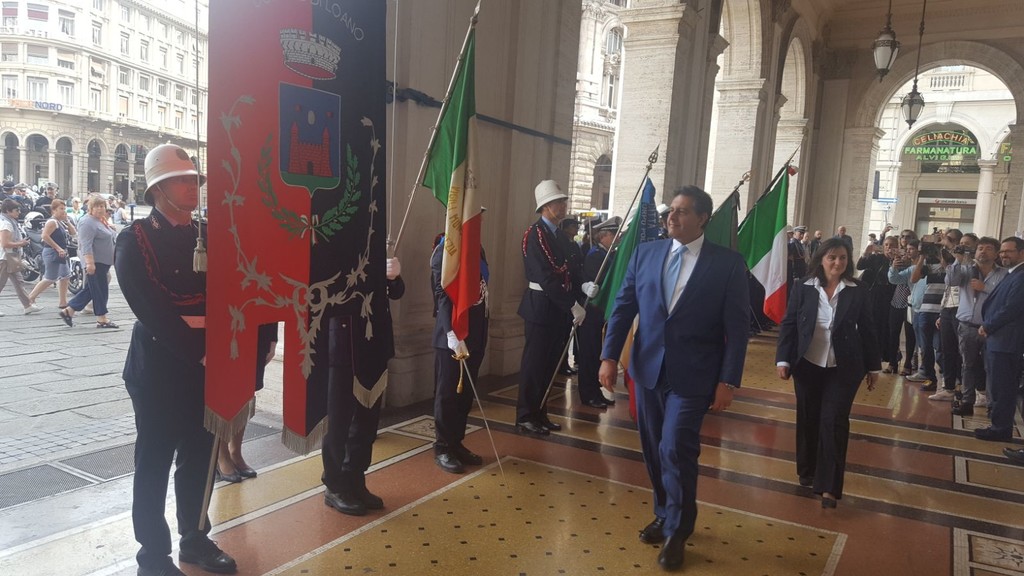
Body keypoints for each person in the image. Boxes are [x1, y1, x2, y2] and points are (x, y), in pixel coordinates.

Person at [598, 185, 750, 571]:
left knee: (675, 447)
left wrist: (728, 381)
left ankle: (677, 532)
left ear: (702, 218)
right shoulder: (645, 254)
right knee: (653, 447)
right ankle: (665, 512)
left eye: (682, 211)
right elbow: (623, 307)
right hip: (648, 369)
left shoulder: (727, 264)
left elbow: (737, 328)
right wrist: (609, 357)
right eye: (671, 211)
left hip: (695, 374)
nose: (672, 217)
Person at [115, 143, 237, 576]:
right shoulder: (135, 238)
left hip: (209, 365)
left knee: (200, 456)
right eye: (181, 180)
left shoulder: (209, 233)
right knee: (153, 460)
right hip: (161, 368)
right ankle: (152, 555)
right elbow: (151, 308)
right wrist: (199, 352)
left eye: (193, 180)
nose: (192, 186)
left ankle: (195, 539)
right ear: (158, 189)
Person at [776, 238, 881, 509]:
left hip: (844, 366)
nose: (837, 262)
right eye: (832, 257)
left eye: (843, 258)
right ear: (821, 259)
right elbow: (789, 324)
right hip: (807, 363)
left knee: (834, 420)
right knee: (809, 417)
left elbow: (868, 328)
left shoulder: (858, 289)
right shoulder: (803, 287)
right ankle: (808, 469)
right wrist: (783, 359)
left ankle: (829, 487)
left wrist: (873, 367)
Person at [321, 257, 404, 516]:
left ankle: (355, 477)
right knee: (338, 419)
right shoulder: (334, 249)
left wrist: (394, 276)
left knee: (367, 417)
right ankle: (335, 484)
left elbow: (395, 292)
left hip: (374, 339)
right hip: (343, 341)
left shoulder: (374, 249)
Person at [516, 180, 587, 436]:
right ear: (546, 206)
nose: (564, 205)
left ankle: (540, 413)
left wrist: (583, 287)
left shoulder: (558, 235)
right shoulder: (534, 235)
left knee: (549, 366)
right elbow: (545, 277)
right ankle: (526, 415)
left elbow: (571, 268)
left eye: (563, 201)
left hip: (557, 309)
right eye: (559, 201)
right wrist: (572, 304)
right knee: (534, 366)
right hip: (541, 308)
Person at [430, 233, 488, 474]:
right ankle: (443, 447)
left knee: (465, 396)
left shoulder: (478, 248)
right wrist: (451, 332)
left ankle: (456, 443)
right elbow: (442, 293)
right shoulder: (445, 250)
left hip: (475, 333)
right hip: (452, 337)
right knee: (448, 395)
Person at [947, 237, 1006, 416]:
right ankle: (967, 402)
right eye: (980, 248)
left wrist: (984, 288)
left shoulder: (1004, 274)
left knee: (991, 367)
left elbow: (1007, 298)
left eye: (988, 248)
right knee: (968, 365)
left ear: (996, 254)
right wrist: (958, 259)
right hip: (967, 326)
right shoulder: (965, 269)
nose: (983, 251)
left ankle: (992, 405)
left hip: (992, 328)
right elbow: (951, 281)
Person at [214, 324, 278, 483]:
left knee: (246, 392)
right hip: (226, 328)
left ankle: (235, 452)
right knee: (224, 392)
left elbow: (272, 307)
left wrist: (272, 339)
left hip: (257, 329)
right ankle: (221, 455)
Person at [975, 237, 1024, 442]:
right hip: (999, 339)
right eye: (1002, 251)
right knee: (998, 386)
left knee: (1003, 387)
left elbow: (1012, 307)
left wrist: (988, 325)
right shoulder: (1012, 273)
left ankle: (1001, 429)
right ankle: (999, 425)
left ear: (1021, 253)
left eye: (1008, 251)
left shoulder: (1021, 275)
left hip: (1007, 340)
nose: (1004, 255)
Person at [577, 216, 620, 408]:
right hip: (592, 313)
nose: (618, 238)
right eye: (614, 234)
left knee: (597, 355)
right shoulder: (596, 255)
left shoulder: (608, 254)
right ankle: (588, 394)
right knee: (589, 355)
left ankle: (596, 391)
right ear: (603, 236)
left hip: (601, 314)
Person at [60, 196, 117, 329]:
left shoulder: (100, 220)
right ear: (90, 208)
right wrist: (90, 263)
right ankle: (102, 318)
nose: (100, 209)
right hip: (96, 262)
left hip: (103, 262)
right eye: (97, 206)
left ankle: (69, 311)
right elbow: (86, 245)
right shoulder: (87, 222)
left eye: (102, 206)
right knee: (100, 290)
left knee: (92, 289)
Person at [929, 230, 971, 401]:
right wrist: (941, 313)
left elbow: (956, 281)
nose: (960, 246)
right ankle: (949, 387)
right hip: (948, 308)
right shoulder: (953, 261)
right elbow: (950, 284)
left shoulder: (972, 264)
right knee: (947, 350)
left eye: (965, 243)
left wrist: (959, 259)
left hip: (962, 310)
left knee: (963, 353)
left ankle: (966, 387)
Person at [28, 199, 77, 310]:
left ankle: (63, 301)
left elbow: (73, 232)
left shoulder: (60, 222)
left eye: (64, 209)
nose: (63, 211)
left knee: (65, 276)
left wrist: (67, 221)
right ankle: (31, 298)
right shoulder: (52, 222)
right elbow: (45, 236)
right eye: (61, 209)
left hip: (61, 253)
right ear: (54, 210)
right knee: (50, 278)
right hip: (52, 252)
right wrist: (58, 248)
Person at [857, 236, 895, 370]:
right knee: (872, 324)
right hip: (875, 294)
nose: (889, 248)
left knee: (886, 327)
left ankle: (887, 356)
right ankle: (869, 355)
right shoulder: (876, 258)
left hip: (890, 295)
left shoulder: (899, 260)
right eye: (886, 245)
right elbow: (859, 266)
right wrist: (866, 253)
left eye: (892, 245)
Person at [0, 198, 42, 316]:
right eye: (16, 210)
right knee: (1, 282)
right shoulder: (6, 224)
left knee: (19, 281)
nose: (19, 212)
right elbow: (5, 243)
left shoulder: (8, 221)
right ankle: (28, 305)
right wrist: (21, 243)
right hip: (5, 257)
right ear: (8, 211)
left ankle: (27, 305)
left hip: (10, 257)